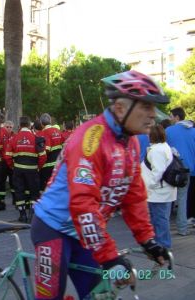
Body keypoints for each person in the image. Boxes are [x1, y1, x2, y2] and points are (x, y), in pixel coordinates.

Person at [31, 70, 172, 300]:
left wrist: (147, 240)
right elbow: (83, 204)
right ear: (120, 109)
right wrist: (108, 256)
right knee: (50, 297)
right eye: (146, 107)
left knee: (100, 295)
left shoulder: (131, 143)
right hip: (53, 227)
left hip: (85, 233)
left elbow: (133, 197)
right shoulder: (91, 139)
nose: (153, 115)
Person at [5, 116, 46, 222]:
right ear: (29, 125)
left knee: (19, 192)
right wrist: (38, 167)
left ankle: (22, 215)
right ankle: (32, 214)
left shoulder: (14, 138)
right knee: (34, 192)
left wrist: (13, 166)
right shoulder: (36, 138)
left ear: (19, 125)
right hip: (32, 170)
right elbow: (43, 156)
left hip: (18, 170)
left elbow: (7, 156)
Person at [141, 124, 176, 249]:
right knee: (160, 220)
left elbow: (158, 171)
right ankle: (161, 245)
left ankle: (163, 247)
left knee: (159, 221)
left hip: (157, 193)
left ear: (152, 135)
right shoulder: (163, 147)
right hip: (161, 191)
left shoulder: (156, 150)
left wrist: (149, 185)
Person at [166, 107, 195, 236]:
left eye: (171, 116)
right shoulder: (193, 131)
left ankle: (164, 229)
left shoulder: (168, 131)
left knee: (168, 199)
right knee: (182, 199)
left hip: (171, 170)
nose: (170, 118)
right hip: (188, 169)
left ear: (177, 117)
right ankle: (182, 229)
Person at [38, 113, 63, 193]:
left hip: (48, 166)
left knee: (46, 188)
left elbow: (46, 149)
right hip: (59, 165)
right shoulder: (58, 131)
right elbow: (64, 145)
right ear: (50, 121)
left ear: (41, 123)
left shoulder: (43, 133)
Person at [0, 120, 15, 210]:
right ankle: (1, 200)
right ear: (4, 127)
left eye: (10, 127)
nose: (9, 128)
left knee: (13, 181)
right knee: (2, 181)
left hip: (12, 161)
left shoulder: (15, 136)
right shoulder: (1, 135)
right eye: (7, 127)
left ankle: (15, 198)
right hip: (2, 162)